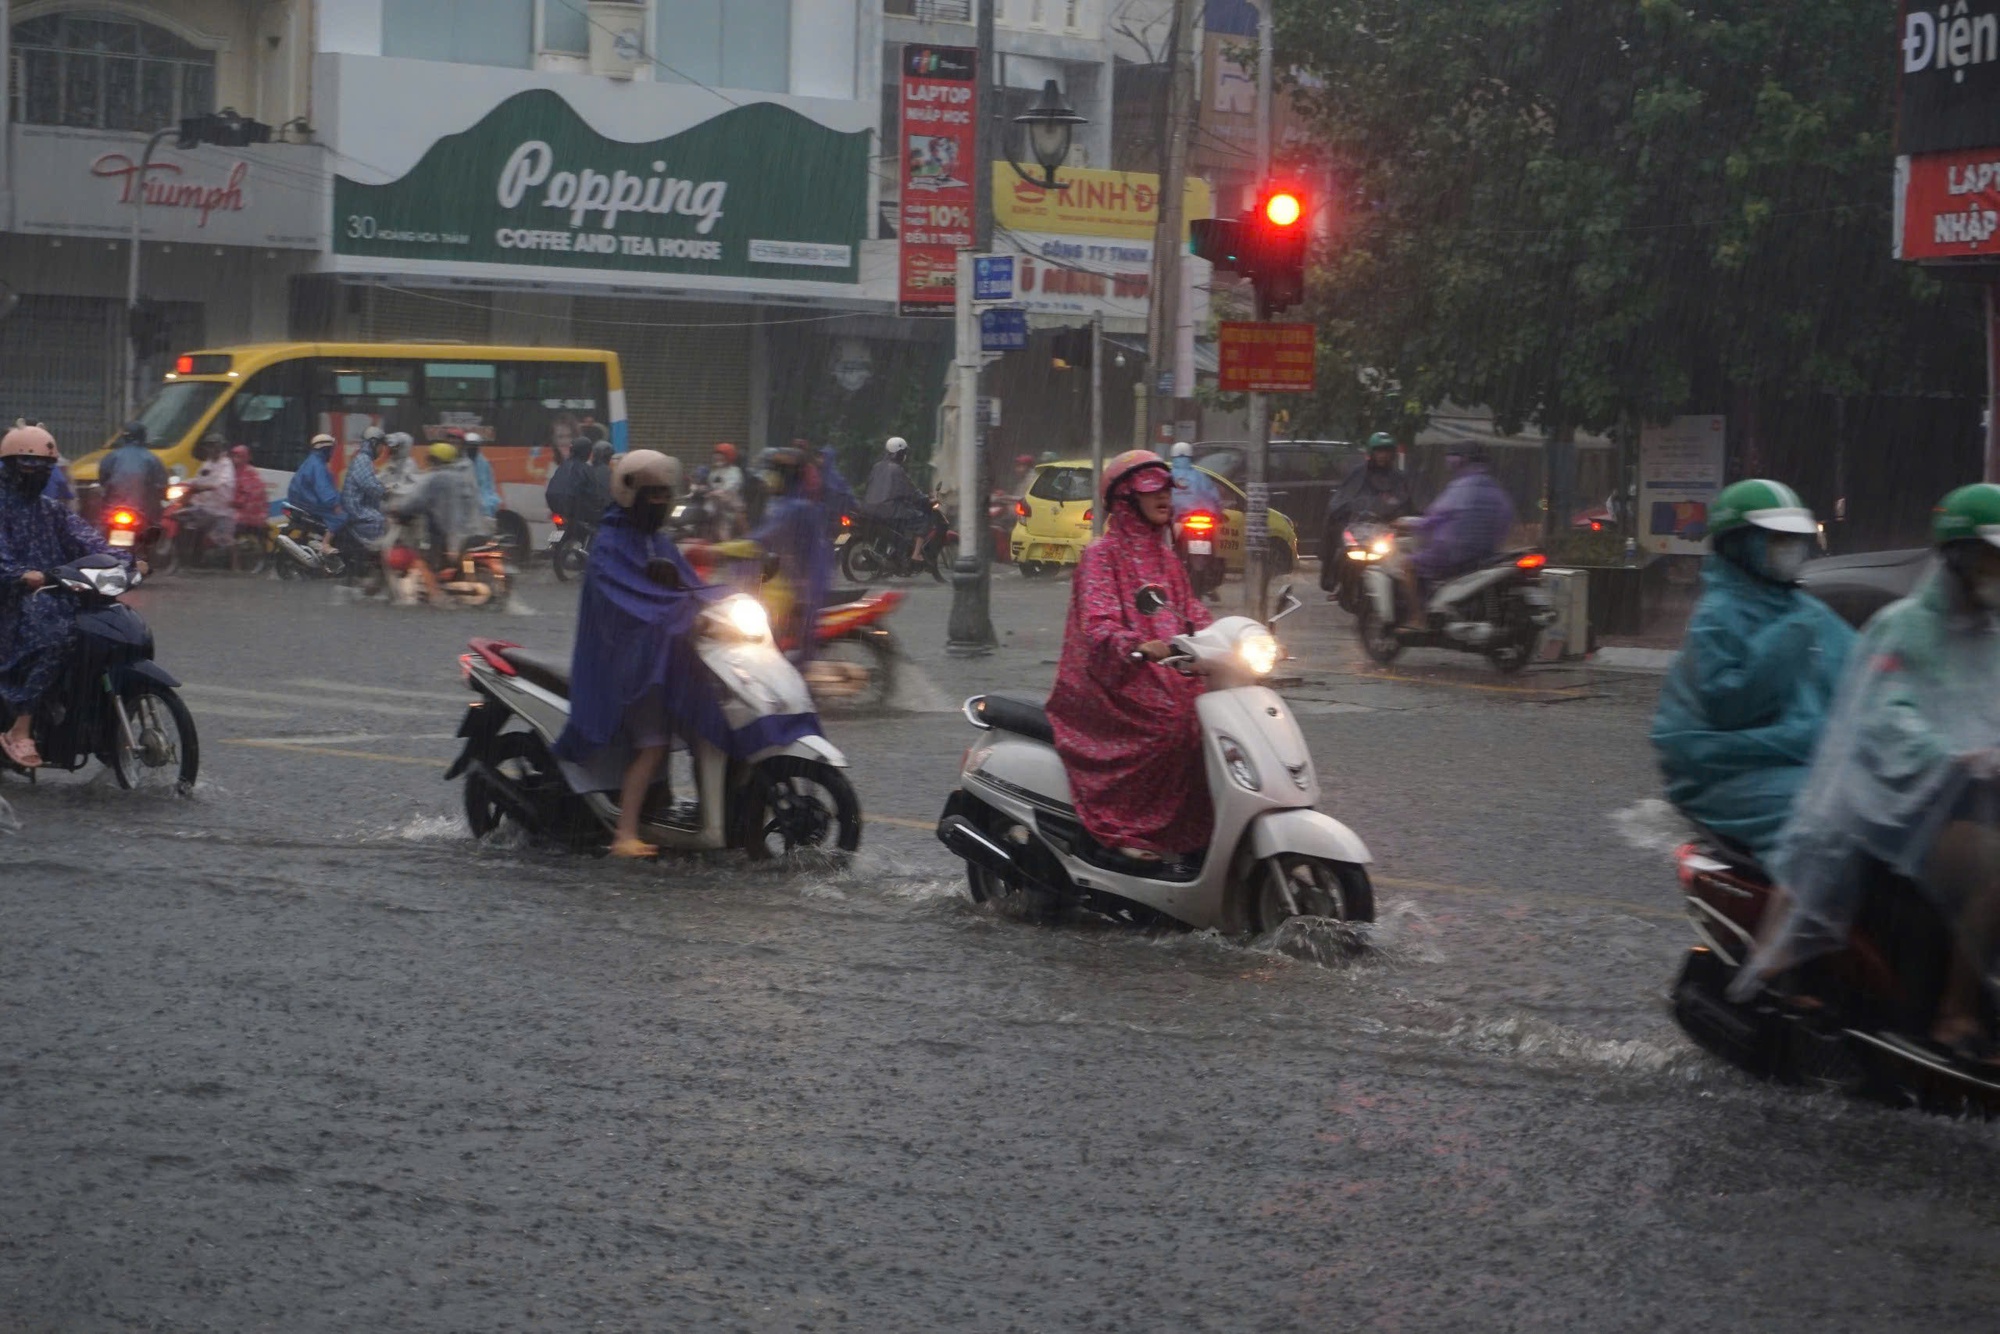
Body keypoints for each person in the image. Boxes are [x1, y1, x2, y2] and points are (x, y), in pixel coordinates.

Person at [1740, 484, 2000, 1055]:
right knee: (1992, 873)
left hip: (1969, 801)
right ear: (1956, 557)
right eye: (1990, 556)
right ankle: (1955, 1018)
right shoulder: (1902, 628)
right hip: (1901, 806)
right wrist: (1951, 757)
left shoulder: (1993, 638)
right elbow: (1885, 716)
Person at [1650, 480, 1855, 865]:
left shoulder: (1801, 609)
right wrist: (1786, 640)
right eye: (1778, 538)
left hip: (1796, 762)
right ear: (1742, 544)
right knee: (1828, 829)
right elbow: (1733, 705)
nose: (1791, 549)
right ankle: (1796, 923)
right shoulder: (1717, 616)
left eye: (1795, 538)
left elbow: (1862, 668)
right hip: (1728, 772)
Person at [1045, 450, 1215, 863]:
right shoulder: (1100, 556)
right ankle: (1131, 828)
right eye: (1150, 490)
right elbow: (1098, 623)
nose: (1163, 498)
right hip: (1114, 682)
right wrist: (1135, 644)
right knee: (1171, 725)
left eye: (1165, 489)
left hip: (1170, 673)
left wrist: (1231, 637)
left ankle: (1196, 831)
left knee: (1214, 719)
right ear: (1125, 499)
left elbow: (1192, 612)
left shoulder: (1166, 558)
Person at [550, 451, 719, 858]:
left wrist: (713, 606)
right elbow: (628, 604)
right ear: (631, 494)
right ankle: (624, 834)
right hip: (630, 664)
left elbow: (687, 584)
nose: (659, 500)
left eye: (665, 493)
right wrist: (676, 614)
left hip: (665, 656)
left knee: (708, 726)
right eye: (652, 493)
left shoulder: (656, 540)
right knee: (654, 745)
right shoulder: (609, 545)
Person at [0, 426, 119, 769]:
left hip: (53, 594)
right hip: (11, 601)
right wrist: (21, 575)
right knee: (52, 636)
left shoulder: (51, 510)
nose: (37, 471)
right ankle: (20, 727)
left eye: (44, 465)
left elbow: (89, 541)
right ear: (9, 464)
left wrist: (126, 561)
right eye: (28, 463)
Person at [1391, 441, 1514, 628]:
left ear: (1459, 461)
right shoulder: (1494, 488)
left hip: (1451, 554)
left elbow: (1434, 517)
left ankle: (1417, 618)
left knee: (1408, 565)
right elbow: (1506, 517)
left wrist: (1408, 524)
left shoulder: (1460, 487)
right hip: (1487, 555)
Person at [740, 446, 832, 661]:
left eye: (774, 473)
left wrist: (719, 550)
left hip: (805, 584)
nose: (768, 478)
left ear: (785, 477)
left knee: (784, 649)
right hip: (787, 576)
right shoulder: (781, 503)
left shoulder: (796, 507)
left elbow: (763, 538)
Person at [392, 442, 487, 604]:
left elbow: (415, 502)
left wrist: (395, 509)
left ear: (433, 459)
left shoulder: (434, 478)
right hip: (477, 531)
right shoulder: (463, 476)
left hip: (449, 536)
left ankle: (437, 596)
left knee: (422, 561)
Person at [1321, 433, 1416, 585]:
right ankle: (1334, 579)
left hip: (1388, 527)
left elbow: (1407, 502)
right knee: (1337, 536)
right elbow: (1342, 498)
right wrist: (1346, 508)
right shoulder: (1358, 474)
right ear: (1372, 453)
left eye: (1386, 451)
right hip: (1359, 525)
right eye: (1379, 451)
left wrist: (1398, 512)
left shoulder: (1399, 478)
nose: (1383, 455)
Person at [863, 436, 932, 563]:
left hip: (869, 508)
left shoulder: (876, 466)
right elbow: (911, 491)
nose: (904, 456)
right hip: (888, 509)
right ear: (899, 453)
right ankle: (916, 554)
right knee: (923, 519)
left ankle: (894, 551)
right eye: (903, 453)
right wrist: (925, 499)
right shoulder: (896, 469)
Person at [97, 422, 168, 526]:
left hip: (113, 509)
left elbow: (103, 479)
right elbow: (161, 484)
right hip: (143, 512)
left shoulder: (112, 456)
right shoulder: (151, 458)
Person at [182, 434, 237, 553]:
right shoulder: (208, 463)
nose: (210, 449)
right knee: (183, 518)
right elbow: (198, 478)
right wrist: (182, 484)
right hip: (205, 506)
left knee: (222, 541)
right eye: (208, 446)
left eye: (213, 446)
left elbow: (223, 481)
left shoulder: (226, 464)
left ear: (219, 447)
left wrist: (208, 487)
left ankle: (235, 565)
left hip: (220, 509)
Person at [287, 433, 345, 541]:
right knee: (342, 516)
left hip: (303, 500)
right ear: (325, 449)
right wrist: (336, 504)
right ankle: (325, 544)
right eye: (331, 450)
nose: (332, 454)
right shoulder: (318, 466)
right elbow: (324, 490)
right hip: (309, 502)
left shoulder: (313, 461)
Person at [544, 437, 595, 524]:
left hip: (554, 503)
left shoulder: (563, 466)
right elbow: (593, 491)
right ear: (586, 452)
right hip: (573, 507)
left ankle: (555, 537)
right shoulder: (585, 469)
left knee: (560, 531)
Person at [1167, 441, 1222, 520]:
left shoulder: (1167, 475)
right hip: (1199, 518)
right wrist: (1218, 512)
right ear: (1191, 456)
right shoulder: (1200, 476)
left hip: (1173, 519)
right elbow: (1214, 497)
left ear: (1172, 456)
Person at [229, 445, 270, 539]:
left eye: (238, 456)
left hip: (249, 518)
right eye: (233, 456)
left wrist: (230, 503)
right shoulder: (235, 471)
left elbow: (246, 497)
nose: (234, 459)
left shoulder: (249, 473)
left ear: (245, 457)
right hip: (241, 515)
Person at [464, 432, 502, 520]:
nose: (472, 448)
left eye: (474, 446)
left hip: (482, 497)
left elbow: (488, 485)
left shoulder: (484, 463)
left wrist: (487, 500)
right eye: (470, 446)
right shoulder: (460, 461)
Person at [377, 431, 418, 498]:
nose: (392, 450)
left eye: (396, 447)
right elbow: (383, 475)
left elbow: (404, 483)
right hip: (388, 499)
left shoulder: (409, 464)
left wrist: (390, 488)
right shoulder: (392, 462)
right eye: (392, 447)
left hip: (403, 500)